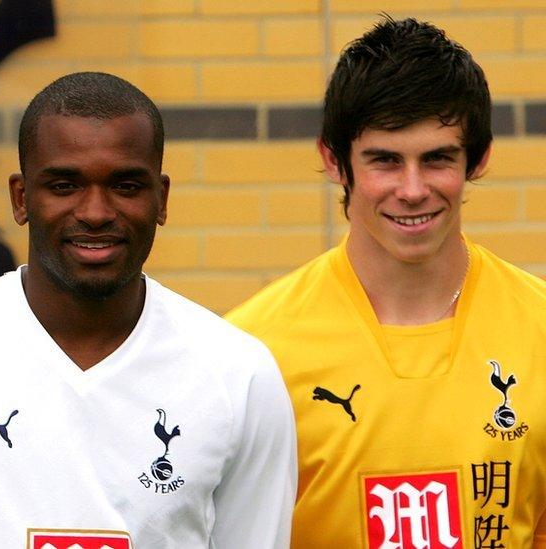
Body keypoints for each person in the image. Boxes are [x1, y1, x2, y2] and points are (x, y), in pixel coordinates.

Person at [0, 72, 296, 548]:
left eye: (126, 186)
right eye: (65, 185)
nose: (94, 211)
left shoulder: (239, 377)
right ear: (21, 198)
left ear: (162, 199)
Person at [227, 16, 546, 548]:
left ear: (479, 159)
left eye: (438, 158)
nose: (413, 189)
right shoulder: (254, 348)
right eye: (385, 161)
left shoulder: (538, 326)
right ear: (334, 160)